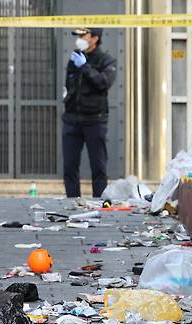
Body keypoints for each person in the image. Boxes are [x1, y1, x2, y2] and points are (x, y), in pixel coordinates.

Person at [62, 27, 117, 198]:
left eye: (83, 35)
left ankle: (99, 203)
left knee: (98, 166)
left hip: (95, 120)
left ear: (94, 38)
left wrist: (85, 67)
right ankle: (72, 202)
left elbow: (103, 83)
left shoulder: (106, 61)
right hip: (72, 119)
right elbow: (69, 85)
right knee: (70, 167)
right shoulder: (75, 58)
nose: (79, 39)